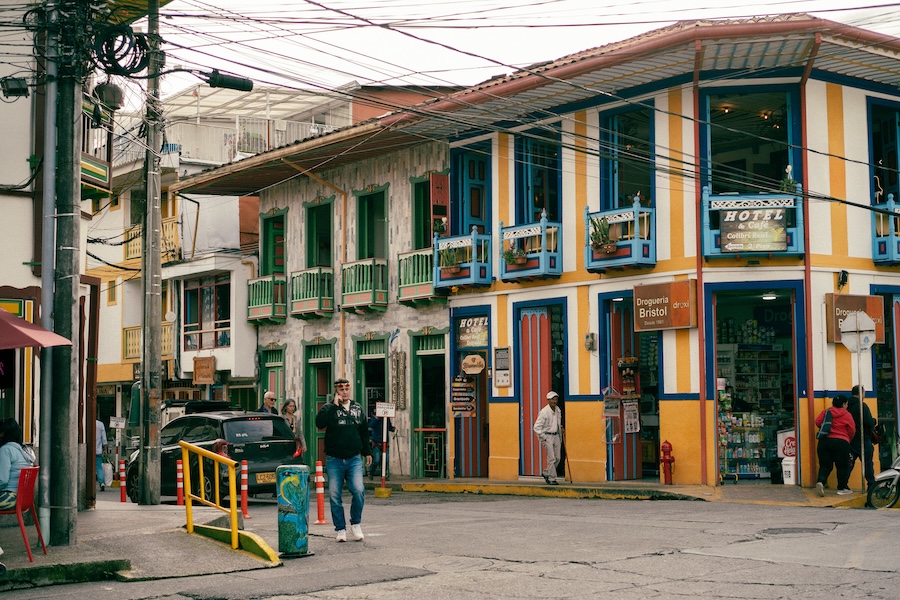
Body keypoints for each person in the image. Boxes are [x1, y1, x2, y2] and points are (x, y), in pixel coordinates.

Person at [315, 378, 372, 542]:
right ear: (336, 391)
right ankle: (340, 529)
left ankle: (356, 523)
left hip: (353, 458)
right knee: (334, 494)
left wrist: (366, 451)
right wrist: (334, 405)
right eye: (341, 390)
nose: (344, 392)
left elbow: (363, 431)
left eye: (347, 389)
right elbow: (320, 423)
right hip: (334, 459)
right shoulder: (328, 408)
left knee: (359, 490)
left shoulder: (357, 408)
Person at [815, 395, 856, 497]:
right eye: (846, 404)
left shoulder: (827, 411)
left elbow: (818, 422)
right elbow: (852, 430)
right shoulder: (847, 414)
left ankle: (821, 481)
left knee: (825, 465)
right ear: (843, 404)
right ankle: (841, 488)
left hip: (824, 442)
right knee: (842, 466)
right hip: (841, 443)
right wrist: (848, 439)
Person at [847, 385, 876, 490]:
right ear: (861, 393)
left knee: (849, 464)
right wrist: (874, 421)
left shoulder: (846, 405)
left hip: (850, 439)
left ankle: (843, 484)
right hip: (863, 438)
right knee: (868, 463)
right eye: (864, 393)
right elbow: (869, 422)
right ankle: (871, 485)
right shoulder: (862, 406)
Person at [0, 419, 34, 510]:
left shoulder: (6, 450)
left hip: (9, 498)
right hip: (23, 498)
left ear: (4, 434)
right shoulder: (25, 450)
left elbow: (2, 480)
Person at [533, 390, 564, 485]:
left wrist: (560, 428)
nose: (554, 401)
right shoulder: (544, 412)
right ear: (548, 400)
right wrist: (543, 437)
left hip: (556, 436)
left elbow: (557, 423)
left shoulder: (558, 410)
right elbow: (536, 427)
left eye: (556, 399)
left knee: (558, 458)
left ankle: (546, 473)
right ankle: (552, 478)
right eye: (552, 399)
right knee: (552, 458)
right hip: (548, 436)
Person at [367, 412, 395, 480]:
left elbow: (389, 427)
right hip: (377, 442)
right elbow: (370, 425)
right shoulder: (374, 418)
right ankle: (371, 472)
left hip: (385, 442)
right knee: (376, 460)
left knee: (386, 460)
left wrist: (393, 429)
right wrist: (376, 418)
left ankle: (383, 475)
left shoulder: (386, 418)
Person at [96, 419, 108, 491]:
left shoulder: (87, 423)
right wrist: (105, 449)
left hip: (89, 450)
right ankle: (102, 482)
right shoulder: (100, 424)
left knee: (88, 468)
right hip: (98, 450)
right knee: (99, 467)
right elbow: (104, 439)